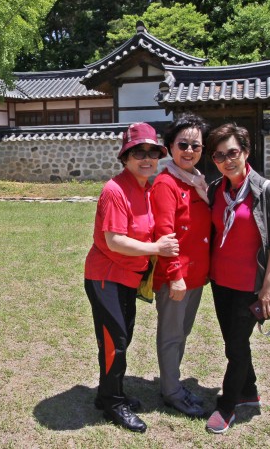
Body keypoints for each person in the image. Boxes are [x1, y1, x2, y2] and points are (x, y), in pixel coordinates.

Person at [84, 122, 179, 434]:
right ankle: (113, 403)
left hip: (128, 277)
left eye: (153, 152)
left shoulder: (145, 188)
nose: (147, 158)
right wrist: (157, 248)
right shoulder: (115, 190)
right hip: (106, 276)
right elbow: (114, 241)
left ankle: (108, 393)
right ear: (125, 157)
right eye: (139, 152)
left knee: (121, 337)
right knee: (116, 341)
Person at [204, 123, 270, 434]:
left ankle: (227, 407)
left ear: (246, 152)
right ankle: (249, 391)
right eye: (220, 155)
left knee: (236, 346)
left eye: (233, 152)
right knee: (232, 342)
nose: (227, 160)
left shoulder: (266, 191)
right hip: (221, 281)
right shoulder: (216, 190)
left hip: (250, 284)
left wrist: (269, 286)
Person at [149, 113, 210, 418]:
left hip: (197, 275)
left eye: (195, 145)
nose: (189, 150)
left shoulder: (197, 181)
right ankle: (172, 392)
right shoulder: (166, 183)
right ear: (170, 147)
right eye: (182, 144)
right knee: (172, 334)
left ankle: (171, 382)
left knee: (182, 332)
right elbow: (164, 233)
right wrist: (175, 277)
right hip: (177, 277)